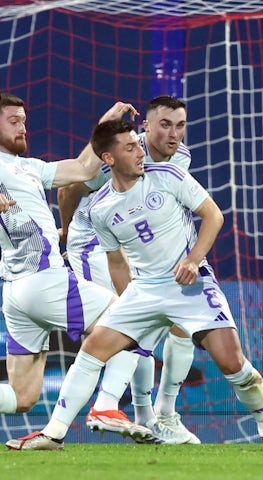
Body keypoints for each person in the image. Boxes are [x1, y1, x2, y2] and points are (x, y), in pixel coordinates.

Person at [6, 119, 263, 451]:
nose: (140, 151)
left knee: (232, 363)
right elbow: (116, 262)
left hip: (191, 286)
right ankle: (54, 433)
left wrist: (193, 259)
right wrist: (128, 304)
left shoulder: (169, 176)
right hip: (144, 290)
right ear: (108, 159)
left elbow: (214, 216)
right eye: (130, 147)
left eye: (138, 145)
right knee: (94, 348)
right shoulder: (100, 208)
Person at [0, 93, 150, 441]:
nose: (23, 127)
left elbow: (83, 169)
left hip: (18, 293)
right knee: (135, 320)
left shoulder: (28, 166)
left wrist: (105, 125)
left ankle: (92, 413)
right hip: (43, 279)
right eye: (13, 121)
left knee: (22, 398)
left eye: (24, 120)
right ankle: (106, 406)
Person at [57, 95, 199, 444]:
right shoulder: (116, 157)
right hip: (96, 245)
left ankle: (161, 414)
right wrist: (66, 231)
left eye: (180, 126)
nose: (174, 134)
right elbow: (71, 186)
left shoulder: (180, 157)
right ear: (146, 127)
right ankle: (107, 410)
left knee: (179, 323)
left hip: (140, 250)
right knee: (125, 322)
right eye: (165, 125)